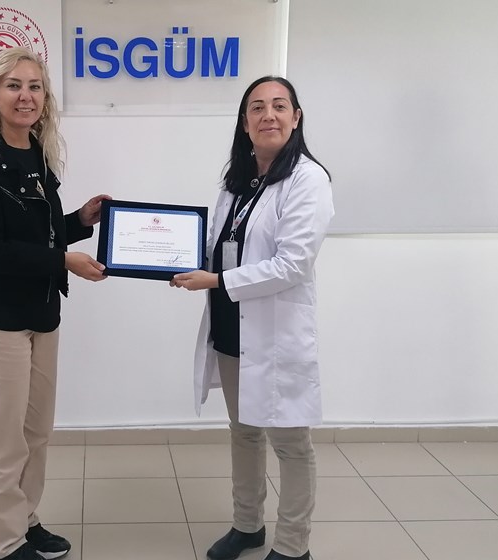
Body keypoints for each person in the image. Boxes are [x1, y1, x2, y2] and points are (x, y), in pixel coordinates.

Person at [0, 47, 109, 560]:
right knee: (5, 441)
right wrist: (64, 260)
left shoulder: (39, 155)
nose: (26, 96)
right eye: (14, 85)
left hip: (42, 317)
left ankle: (25, 518)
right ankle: (4, 542)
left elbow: (40, 234)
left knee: (36, 433)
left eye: (35, 86)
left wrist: (80, 220)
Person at [170, 76, 333, 560]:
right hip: (230, 328)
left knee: (290, 443)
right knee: (243, 432)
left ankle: (293, 545)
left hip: (273, 332)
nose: (268, 115)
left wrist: (216, 280)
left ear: (296, 117)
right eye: (257, 108)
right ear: (245, 123)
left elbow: (293, 263)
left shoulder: (308, 179)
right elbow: (216, 245)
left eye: (279, 106)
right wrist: (168, 257)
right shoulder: (237, 182)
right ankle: (247, 526)